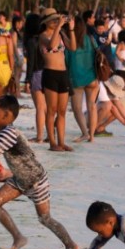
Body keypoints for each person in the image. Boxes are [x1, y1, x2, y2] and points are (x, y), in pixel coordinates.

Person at [0, 95, 78, 249]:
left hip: (36, 181)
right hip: (20, 179)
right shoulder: (3, 133)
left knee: (45, 219)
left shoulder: (8, 134)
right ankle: (18, 238)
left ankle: (71, 245)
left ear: (6, 115)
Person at [38, 9, 75, 152]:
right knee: (51, 110)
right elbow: (51, 46)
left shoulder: (60, 34)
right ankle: (52, 142)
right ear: (46, 22)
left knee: (62, 111)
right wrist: (59, 27)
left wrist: (70, 30)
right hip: (50, 73)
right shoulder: (42, 36)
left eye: (57, 20)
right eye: (53, 20)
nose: (55, 22)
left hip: (63, 74)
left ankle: (61, 141)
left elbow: (73, 47)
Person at [67, 14, 99, 142]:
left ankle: (84, 133)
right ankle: (91, 136)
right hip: (92, 77)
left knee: (77, 108)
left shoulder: (70, 41)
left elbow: (66, 61)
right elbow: (97, 54)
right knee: (92, 106)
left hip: (76, 79)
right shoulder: (90, 39)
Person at [23, 14, 46, 142]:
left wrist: (27, 80)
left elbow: (30, 62)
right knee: (46, 107)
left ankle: (40, 136)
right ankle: (49, 135)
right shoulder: (44, 38)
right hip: (47, 72)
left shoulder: (31, 41)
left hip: (37, 74)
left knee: (40, 107)